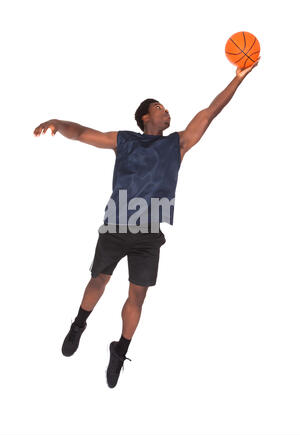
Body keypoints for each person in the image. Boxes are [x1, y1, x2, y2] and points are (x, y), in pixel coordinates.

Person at [33, 58, 260, 388]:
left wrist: (237, 78)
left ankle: (119, 349)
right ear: (145, 117)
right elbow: (81, 132)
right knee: (98, 282)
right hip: (115, 227)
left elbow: (210, 111)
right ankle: (79, 324)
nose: (166, 111)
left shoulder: (177, 144)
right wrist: (57, 121)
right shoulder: (124, 140)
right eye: (159, 107)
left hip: (149, 235)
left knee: (136, 298)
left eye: (166, 108)